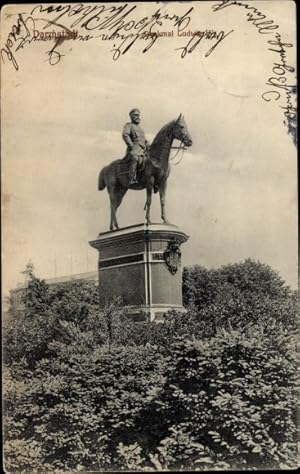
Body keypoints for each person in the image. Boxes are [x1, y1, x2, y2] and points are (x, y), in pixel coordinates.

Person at [122, 108, 149, 185]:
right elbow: (125, 135)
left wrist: (147, 143)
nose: (138, 117)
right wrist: (131, 145)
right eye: (136, 115)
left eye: (138, 115)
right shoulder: (128, 126)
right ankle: (132, 178)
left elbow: (143, 140)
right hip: (135, 149)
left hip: (143, 150)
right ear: (131, 116)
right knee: (135, 157)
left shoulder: (141, 129)